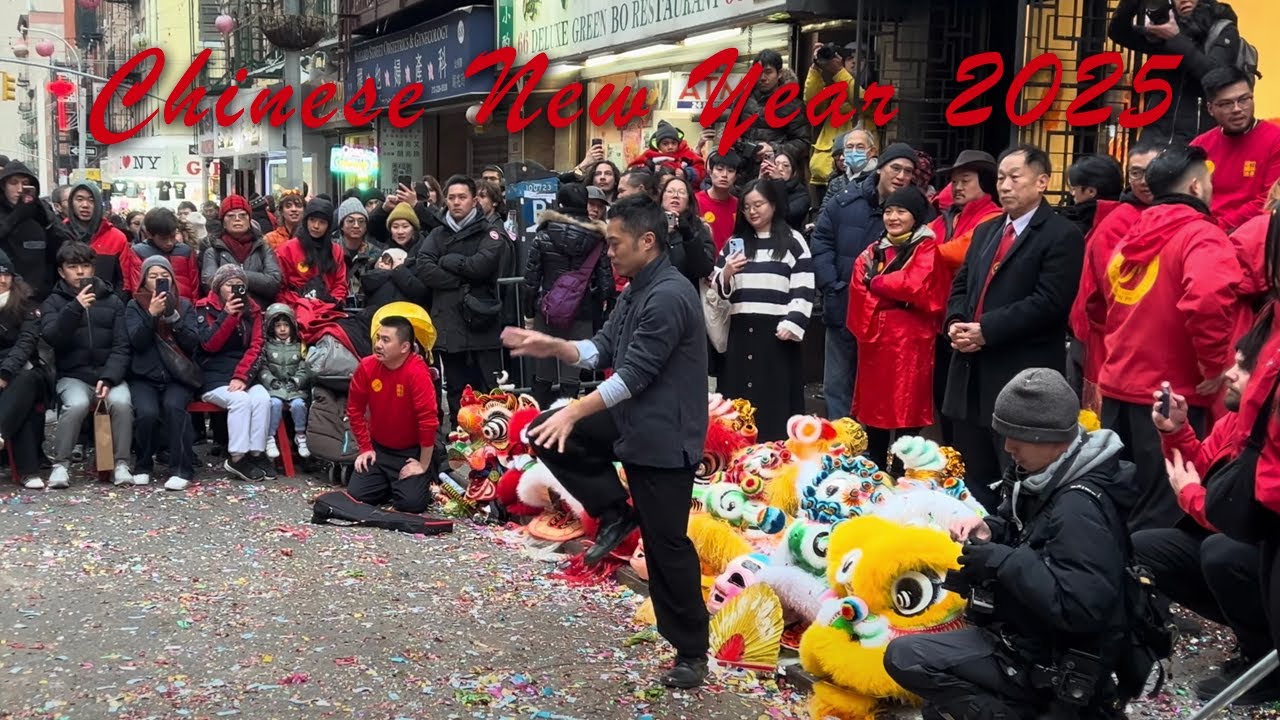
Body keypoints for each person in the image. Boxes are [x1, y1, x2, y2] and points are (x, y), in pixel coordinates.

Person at [502, 194, 710, 689]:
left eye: (615, 243)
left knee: (666, 546)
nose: (609, 252)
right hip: (632, 420)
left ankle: (691, 651)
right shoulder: (636, 288)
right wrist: (555, 345)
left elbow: (632, 375)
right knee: (544, 433)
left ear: (647, 241)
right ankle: (616, 511)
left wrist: (575, 409)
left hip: (665, 436)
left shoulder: (669, 295)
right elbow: (602, 349)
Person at [884, 368, 1139, 720]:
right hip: (1023, 635)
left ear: (1048, 436)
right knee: (937, 703)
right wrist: (990, 530)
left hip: (1052, 658)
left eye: (1016, 436)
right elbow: (1030, 533)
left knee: (907, 659)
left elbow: (1082, 607)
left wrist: (1001, 562)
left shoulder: (1079, 506)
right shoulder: (1046, 475)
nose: (1008, 447)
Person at [1093, 144, 1242, 531]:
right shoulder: (1201, 236)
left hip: (1119, 389)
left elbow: (1103, 302)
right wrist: (1213, 366)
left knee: (1116, 502)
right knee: (1164, 514)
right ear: (1195, 187)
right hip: (1171, 400)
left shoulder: (1131, 237)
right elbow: (1209, 299)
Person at [942, 145, 1084, 510]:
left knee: (1016, 477)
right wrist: (956, 322)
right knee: (970, 472)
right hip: (970, 371)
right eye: (1001, 178)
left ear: (1041, 181)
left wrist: (986, 329)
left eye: (1014, 177)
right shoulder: (988, 229)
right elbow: (962, 284)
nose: (1004, 186)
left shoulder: (1061, 234)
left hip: (1019, 376)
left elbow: (1049, 303)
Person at [1139, 335, 1278, 704]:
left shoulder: (1271, 433)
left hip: (1258, 547)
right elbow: (1204, 469)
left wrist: (1190, 496)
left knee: (1221, 553)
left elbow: (1241, 515)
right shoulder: (1235, 419)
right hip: (1231, 537)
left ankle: (1266, 661)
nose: (1229, 374)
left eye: (1243, 367)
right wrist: (1176, 430)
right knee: (1143, 548)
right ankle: (1246, 630)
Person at [811, 142, 918, 421]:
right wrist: (831, 285)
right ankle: (842, 450)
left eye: (908, 171)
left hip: (886, 317)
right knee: (837, 386)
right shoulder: (846, 200)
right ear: (880, 167)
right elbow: (821, 240)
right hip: (843, 304)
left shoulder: (916, 210)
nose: (901, 176)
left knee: (875, 388)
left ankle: (871, 454)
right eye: (896, 168)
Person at [847, 186, 944, 468]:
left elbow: (915, 285)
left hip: (911, 342)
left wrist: (876, 283)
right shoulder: (873, 250)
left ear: (915, 217)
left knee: (906, 408)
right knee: (874, 410)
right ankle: (876, 467)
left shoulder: (926, 247)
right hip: (876, 341)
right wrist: (891, 297)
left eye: (901, 211)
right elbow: (857, 286)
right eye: (889, 210)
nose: (893, 217)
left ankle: (903, 470)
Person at [713, 179, 814, 440]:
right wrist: (726, 273)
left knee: (774, 399)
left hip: (776, 333)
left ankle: (775, 451)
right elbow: (718, 286)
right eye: (747, 207)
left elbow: (803, 285)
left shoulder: (793, 241)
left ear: (773, 204)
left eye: (758, 204)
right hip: (740, 330)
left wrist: (792, 322)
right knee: (738, 400)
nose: (753, 211)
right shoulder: (736, 243)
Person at [1071, 140, 1163, 412]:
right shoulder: (1121, 219)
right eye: (1135, 173)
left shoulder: (1157, 213)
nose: (1144, 180)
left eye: (1152, 170)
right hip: (1113, 341)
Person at [40, 241, 135, 488]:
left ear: (94, 269)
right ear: (62, 271)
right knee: (76, 404)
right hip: (73, 375)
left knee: (122, 402)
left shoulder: (112, 300)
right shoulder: (54, 301)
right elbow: (52, 337)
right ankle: (61, 464)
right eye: (73, 267)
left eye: (85, 266)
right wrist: (75, 308)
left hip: (108, 374)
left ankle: (121, 462)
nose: (80, 272)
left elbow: (122, 346)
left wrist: (110, 377)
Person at [415, 175, 508, 426]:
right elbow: (424, 268)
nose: (456, 202)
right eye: (452, 197)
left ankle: (492, 441)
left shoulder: (490, 232)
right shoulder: (437, 234)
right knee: (456, 387)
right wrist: (461, 280)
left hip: (481, 319)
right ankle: (461, 438)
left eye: (462, 197)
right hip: (448, 322)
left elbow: (483, 266)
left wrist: (447, 262)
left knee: (488, 388)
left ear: (474, 200)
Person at [521, 183, 613, 406]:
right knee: (572, 374)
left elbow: (530, 279)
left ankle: (535, 426)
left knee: (543, 374)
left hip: (548, 310)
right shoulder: (599, 239)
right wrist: (600, 310)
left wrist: (529, 313)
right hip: (582, 312)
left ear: (559, 204)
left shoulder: (544, 234)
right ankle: (567, 427)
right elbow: (606, 284)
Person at [1107, 0, 1244, 144]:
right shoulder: (1165, 30)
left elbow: (1216, 76)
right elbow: (1118, 32)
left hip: (1199, 139)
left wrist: (1176, 39)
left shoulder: (1222, 29)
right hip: (1156, 138)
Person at [347, 316, 440, 513]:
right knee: (356, 496)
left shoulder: (416, 372)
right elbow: (354, 410)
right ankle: (391, 484)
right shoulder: (367, 366)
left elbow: (428, 420)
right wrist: (365, 448)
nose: (378, 345)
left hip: (410, 451)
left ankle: (423, 475)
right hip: (379, 448)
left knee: (412, 504)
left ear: (404, 347)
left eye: (386, 340)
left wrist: (422, 464)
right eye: (378, 338)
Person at [125, 255, 201, 491]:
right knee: (146, 413)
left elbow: (192, 344)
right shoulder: (134, 305)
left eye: (164, 275)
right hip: (144, 375)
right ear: (144, 280)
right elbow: (137, 342)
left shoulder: (185, 304)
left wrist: (173, 317)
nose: (159, 279)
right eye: (153, 276)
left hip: (177, 376)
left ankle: (181, 469)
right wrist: (152, 315)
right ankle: (144, 464)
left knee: (173, 407)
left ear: (172, 279)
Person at [195, 263, 274, 483]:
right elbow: (208, 344)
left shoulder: (253, 310)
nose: (235, 289)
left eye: (240, 285)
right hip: (213, 375)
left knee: (262, 399)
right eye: (230, 285)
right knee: (240, 401)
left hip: (244, 373)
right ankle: (237, 457)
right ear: (219, 286)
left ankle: (256, 454)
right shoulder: (204, 308)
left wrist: (242, 376)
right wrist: (228, 316)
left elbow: (257, 345)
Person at [1190, 66, 1280, 233]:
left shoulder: (1276, 139)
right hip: (1203, 232)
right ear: (1210, 109)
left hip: (1256, 234)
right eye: (1226, 104)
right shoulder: (1200, 145)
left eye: (1244, 99)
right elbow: (1185, 197)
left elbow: (1270, 200)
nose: (1237, 109)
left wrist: (1219, 227)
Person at [0, 250, 49, 489]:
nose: (1, 280)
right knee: (23, 407)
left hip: (23, 369)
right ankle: (28, 470)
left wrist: (4, 373)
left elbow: (26, 342)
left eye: (5, 274)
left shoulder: (27, 303)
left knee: (24, 382)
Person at [735, 49, 809, 186]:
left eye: (768, 72)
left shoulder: (793, 105)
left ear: (779, 73)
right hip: (743, 174)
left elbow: (804, 142)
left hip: (777, 175)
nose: (762, 77)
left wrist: (774, 149)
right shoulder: (743, 99)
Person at [0, 160, 70, 301]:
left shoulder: (41, 210)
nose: (20, 189)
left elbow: (64, 246)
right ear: (3, 186)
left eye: (25, 183)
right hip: (7, 294)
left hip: (42, 294)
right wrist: (16, 216)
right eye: (14, 183)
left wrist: (44, 219)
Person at [200, 195, 282, 309]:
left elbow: (274, 282)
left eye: (242, 215)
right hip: (224, 313)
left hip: (259, 313)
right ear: (223, 221)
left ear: (249, 220)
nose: (237, 219)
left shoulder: (263, 248)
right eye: (231, 215)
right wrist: (252, 279)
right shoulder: (213, 251)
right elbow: (210, 283)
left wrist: (235, 277)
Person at [804, 43, 858, 207]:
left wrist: (839, 72)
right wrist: (816, 68)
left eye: (859, 58)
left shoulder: (873, 87)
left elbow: (863, 101)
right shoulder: (836, 88)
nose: (854, 63)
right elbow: (812, 104)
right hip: (824, 170)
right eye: (849, 58)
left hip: (855, 170)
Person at [260, 303, 311, 460]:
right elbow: (263, 367)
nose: (282, 329)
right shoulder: (267, 346)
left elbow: (305, 367)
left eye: (285, 325)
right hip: (275, 387)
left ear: (292, 327)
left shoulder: (299, 346)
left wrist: (297, 381)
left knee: (299, 405)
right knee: (274, 404)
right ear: (271, 328)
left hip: (294, 388)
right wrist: (270, 380)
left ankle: (300, 435)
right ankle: (270, 437)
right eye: (278, 326)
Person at [659, 176, 716, 288]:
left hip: (687, 294)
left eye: (681, 192)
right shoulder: (650, 225)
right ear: (661, 198)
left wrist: (688, 236)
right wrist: (665, 234)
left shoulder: (699, 228)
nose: (675, 195)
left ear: (689, 201)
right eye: (670, 191)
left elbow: (705, 269)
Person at [135, 207, 201, 302]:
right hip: (153, 306)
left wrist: (193, 307)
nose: (169, 242)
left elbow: (194, 285)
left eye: (173, 237)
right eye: (163, 238)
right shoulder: (139, 252)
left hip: (185, 307)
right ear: (149, 235)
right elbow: (138, 287)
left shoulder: (185, 251)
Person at [333, 197, 382, 303]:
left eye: (361, 221)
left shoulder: (376, 253)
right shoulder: (331, 250)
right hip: (335, 304)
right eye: (350, 221)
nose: (356, 226)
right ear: (341, 225)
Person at [628, 120, 706, 186]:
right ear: (658, 146)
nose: (670, 146)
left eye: (673, 143)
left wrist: (686, 174)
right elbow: (633, 170)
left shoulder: (686, 153)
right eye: (665, 143)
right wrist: (650, 168)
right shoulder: (649, 155)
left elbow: (701, 170)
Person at [695, 151, 741, 253]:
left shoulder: (739, 205)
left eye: (730, 171)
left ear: (736, 177)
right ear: (710, 172)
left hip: (731, 263)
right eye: (719, 169)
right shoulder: (695, 201)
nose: (724, 175)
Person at [759, 151, 811, 231]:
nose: (779, 169)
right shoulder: (766, 185)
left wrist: (778, 182)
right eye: (776, 164)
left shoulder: (802, 195)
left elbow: (784, 217)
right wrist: (760, 180)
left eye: (785, 165)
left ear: (793, 172)